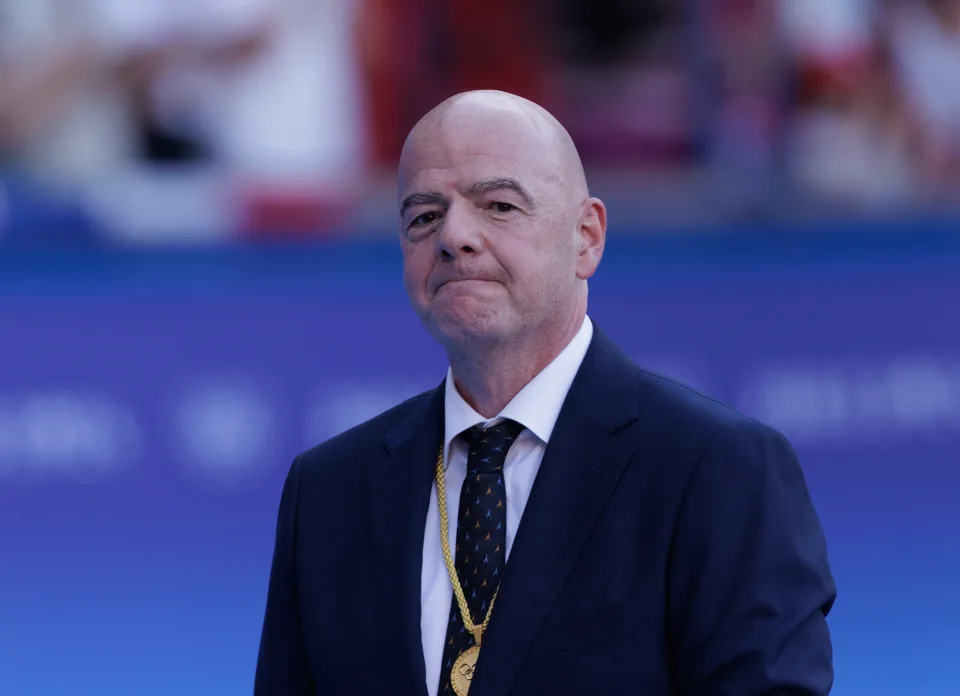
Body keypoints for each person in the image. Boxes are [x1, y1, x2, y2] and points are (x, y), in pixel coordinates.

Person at [254, 90, 836, 696]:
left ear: (586, 237)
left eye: (499, 205)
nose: (454, 236)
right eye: (424, 216)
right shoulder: (328, 493)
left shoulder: (716, 468)